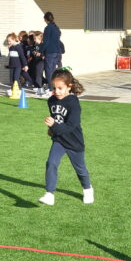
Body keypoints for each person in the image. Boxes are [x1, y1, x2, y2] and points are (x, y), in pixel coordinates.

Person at [38, 68, 93, 206]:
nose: (57, 91)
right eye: (54, 88)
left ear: (69, 86)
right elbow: (57, 118)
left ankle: (87, 189)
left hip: (74, 142)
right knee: (51, 163)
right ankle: (49, 194)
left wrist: (54, 126)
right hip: (59, 141)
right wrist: (51, 128)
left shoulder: (73, 102)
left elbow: (71, 126)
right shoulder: (51, 100)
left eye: (60, 88)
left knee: (80, 169)